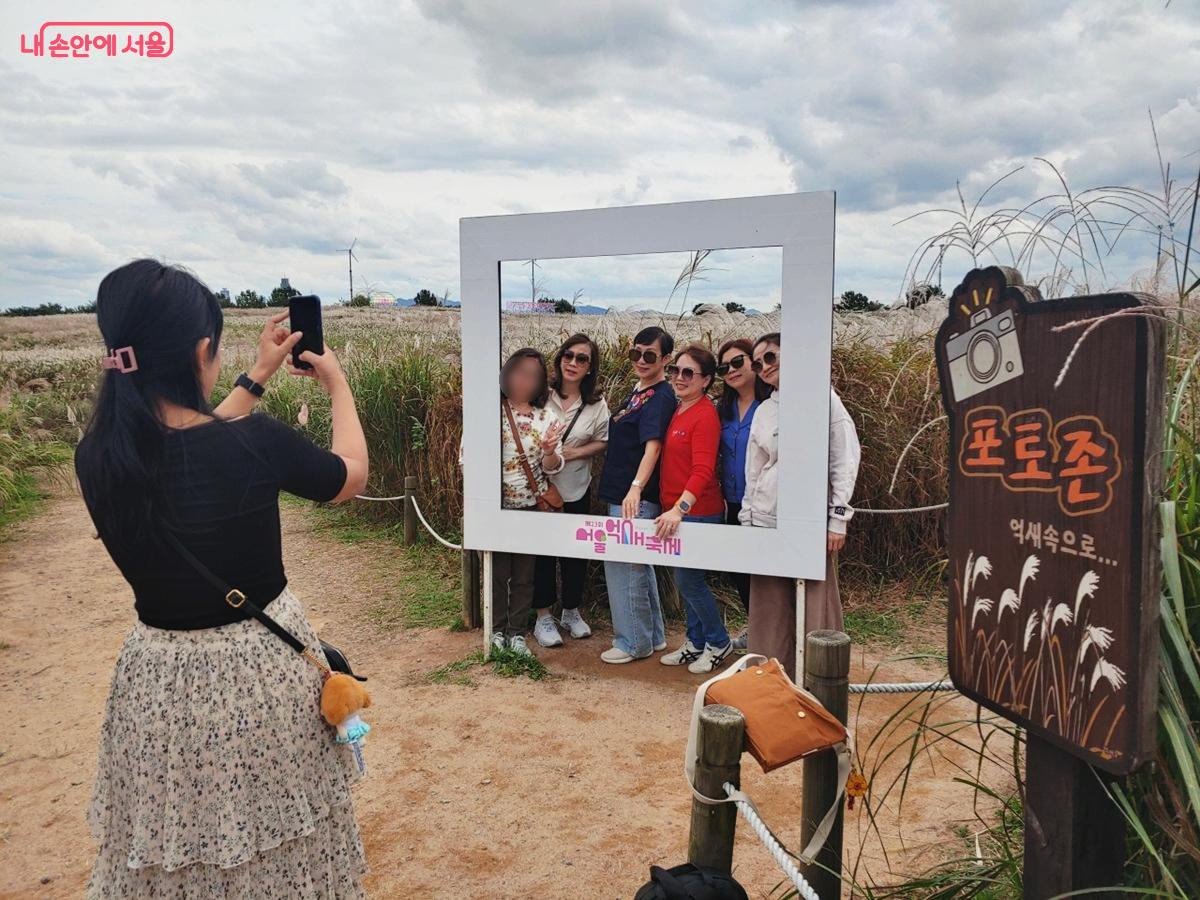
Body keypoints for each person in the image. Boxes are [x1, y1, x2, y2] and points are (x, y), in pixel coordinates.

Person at [74, 259, 370, 897]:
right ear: (199, 351)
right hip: (258, 677)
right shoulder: (254, 443)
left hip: (156, 682)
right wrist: (338, 384)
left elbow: (193, 442)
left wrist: (257, 375)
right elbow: (349, 475)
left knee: (180, 848)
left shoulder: (98, 454)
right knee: (275, 844)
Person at [740, 332, 862, 678]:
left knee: (814, 601)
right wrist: (747, 518)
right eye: (757, 363)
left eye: (771, 357)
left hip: (809, 521)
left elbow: (844, 456)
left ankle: (819, 679)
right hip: (766, 517)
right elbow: (754, 467)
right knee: (769, 605)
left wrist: (838, 517)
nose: (764, 367)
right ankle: (769, 679)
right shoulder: (765, 410)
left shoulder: (823, 398)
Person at [596, 326, 677, 664]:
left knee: (624, 564)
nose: (641, 361)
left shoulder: (660, 396)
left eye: (650, 355)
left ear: (666, 359)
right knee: (639, 565)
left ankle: (633, 642)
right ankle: (652, 636)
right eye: (636, 353)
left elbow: (653, 447)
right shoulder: (640, 390)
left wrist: (635, 487)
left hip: (634, 497)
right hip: (625, 491)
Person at [654, 345, 733, 674]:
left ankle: (718, 641)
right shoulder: (681, 408)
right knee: (686, 580)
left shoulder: (704, 415)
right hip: (678, 512)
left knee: (690, 582)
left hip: (698, 512)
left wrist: (679, 509)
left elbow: (703, 470)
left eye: (689, 373)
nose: (679, 377)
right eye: (676, 370)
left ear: (706, 380)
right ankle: (695, 641)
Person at [532, 334, 609, 647]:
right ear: (559, 358)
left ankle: (571, 611)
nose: (573, 363)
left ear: (590, 366)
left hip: (576, 487)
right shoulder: (541, 394)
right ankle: (542, 616)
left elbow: (603, 441)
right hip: (541, 488)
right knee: (542, 554)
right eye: (568, 355)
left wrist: (574, 453)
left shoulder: (596, 404)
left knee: (576, 552)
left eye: (582, 358)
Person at [496, 347, 565, 656]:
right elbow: (466, 457)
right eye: (520, 371)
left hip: (530, 507)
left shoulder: (547, 417)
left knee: (525, 576)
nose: (525, 379)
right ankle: (496, 630)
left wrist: (549, 450)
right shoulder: (489, 410)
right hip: (496, 508)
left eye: (533, 375)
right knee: (497, 574)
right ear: (507, 372)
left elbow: (552, 467)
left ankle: (517, 633)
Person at [715, 337, 772, 648]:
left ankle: (772, 631)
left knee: (765, 570)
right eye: (724, 367)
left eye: (737, 362)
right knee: (739, 569)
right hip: (732, 501)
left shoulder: (771, 405)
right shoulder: (722, 409)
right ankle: (755, 626)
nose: (731, 371)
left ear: (754, 362)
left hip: (764, 504)